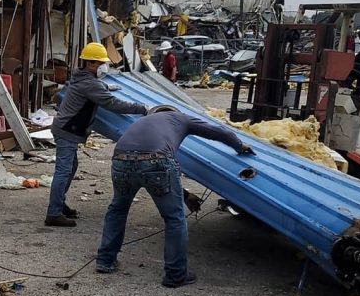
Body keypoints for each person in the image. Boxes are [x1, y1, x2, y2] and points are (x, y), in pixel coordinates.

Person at [95, 105, 254, 285]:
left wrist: (185, 195)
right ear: (174, 112)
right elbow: (219, 132)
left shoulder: (142, 122)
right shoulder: (181, 118)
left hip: (121, 161)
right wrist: (239, 145)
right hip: (156, 161)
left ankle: (105, 261)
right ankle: (175, 274)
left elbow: (144, 167)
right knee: (174, 219)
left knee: (117, 209)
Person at [45, 42, 148, 227]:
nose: (104, 67)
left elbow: (96, 90)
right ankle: (53, 213)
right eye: (101, 63)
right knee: (63, 171)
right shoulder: (89, 84)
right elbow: (113, 104)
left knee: (70, 168)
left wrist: (106, 88)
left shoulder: (82, 78)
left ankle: (59, 204)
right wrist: (142, 108)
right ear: (91, 64)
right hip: (68, 130)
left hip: (67, 129)